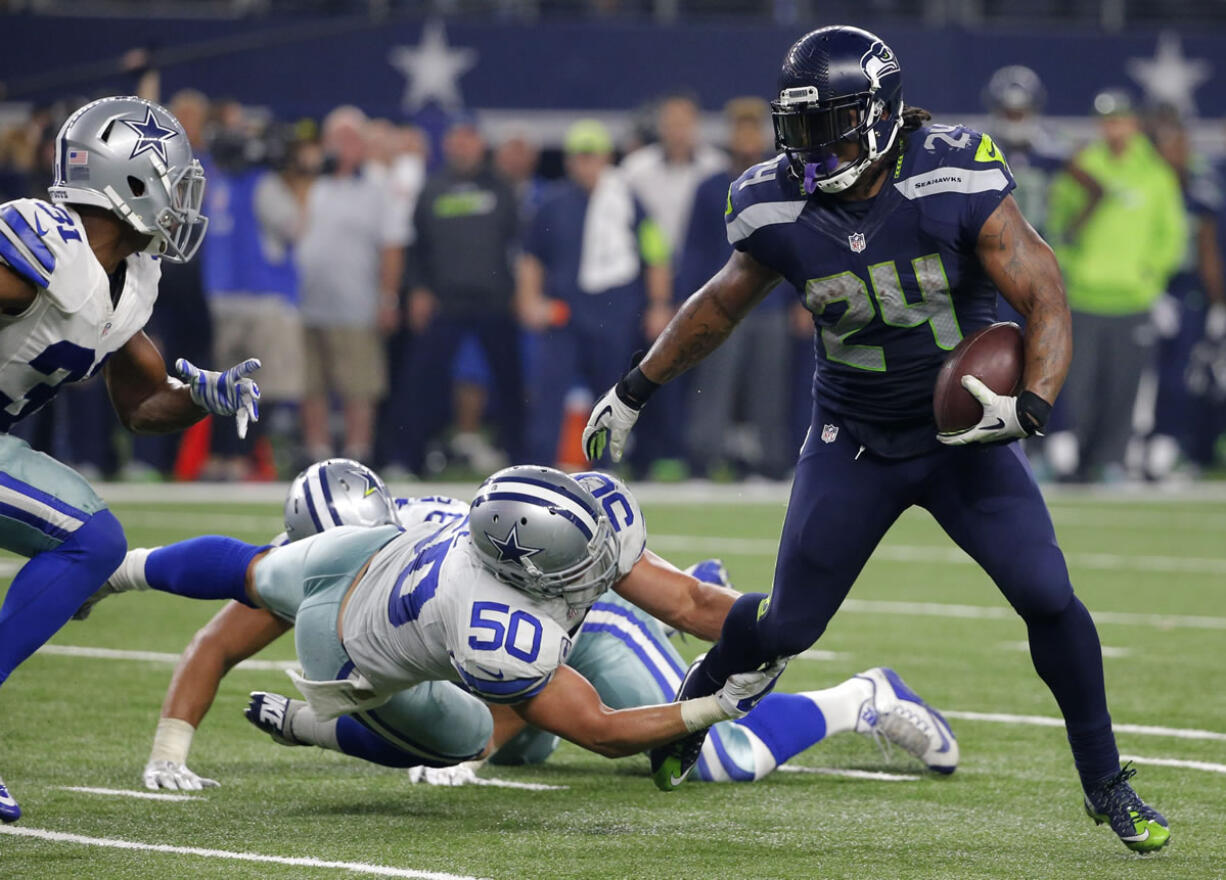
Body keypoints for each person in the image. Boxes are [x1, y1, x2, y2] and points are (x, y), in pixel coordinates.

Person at [582, 26, 1169, 853]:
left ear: (886, 114)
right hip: (852, 434)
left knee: (1047, 595)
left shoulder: (954, 170)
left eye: (833, 125)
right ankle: (697, 705)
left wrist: (1030, 407)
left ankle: (1106, 781)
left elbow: (1044, 293)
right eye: (802, 127)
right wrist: (635, 387)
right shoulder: (773, 200)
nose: (813, 148)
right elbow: (721, 302)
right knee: (787, 627)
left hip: (964, 437)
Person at [87, 460, 953, 790]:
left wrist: (766, 636)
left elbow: (597, 719)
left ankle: (860, 698)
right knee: (481, 735)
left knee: (721, 761)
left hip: (581, 629)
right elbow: (215, 630)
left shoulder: (522, 550)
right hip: (518, 644)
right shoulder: (334, 575)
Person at [0, 95, 262, 822]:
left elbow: (141, 406)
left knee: (92, 540)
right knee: (91, 540)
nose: (182, 202)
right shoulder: (41, 240)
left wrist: (200, 398)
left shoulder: (130, 276)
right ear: (129, 180)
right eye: (173, 181)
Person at [1044, 90, 1186, 482]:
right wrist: (1071, 270)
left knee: (1124, 387)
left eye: (1120, 119)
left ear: (1134, 122)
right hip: (1085, 296)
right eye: (1106, 121)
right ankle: (1078, 462)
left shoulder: (1155, 174)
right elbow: (1059, 224)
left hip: (1133, 298)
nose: (1114, 128)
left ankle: (1112, 461)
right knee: (1079, 386)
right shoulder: (1084, 166)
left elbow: (1171, 234)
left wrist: (1149, 276)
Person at [517, 120, 671, 466]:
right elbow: (532, 257)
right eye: (580, 157)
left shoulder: (628, 202)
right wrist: (529, 301)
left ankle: (606, 474)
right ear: (570, 161)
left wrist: (659, 304)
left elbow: (656, 254)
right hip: (564, 316)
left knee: (613, 401)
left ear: (605, 159)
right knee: (547, 399)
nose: (587, 164)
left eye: (593, 156)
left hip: (613, 316)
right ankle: (539, 470)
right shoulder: (552, 203)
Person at [399, 116, 524, 475]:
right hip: (445, 301)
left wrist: (518, 291)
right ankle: (409, 459)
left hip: (495, 301)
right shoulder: (433, 188)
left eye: (470, 139)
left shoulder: (501, 188)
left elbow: (517, 243)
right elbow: (416, 245)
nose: (464, 146)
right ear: (447, 145)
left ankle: (521, 459)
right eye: (458, 140)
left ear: (480, 144)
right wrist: (419, 289)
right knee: (422, 382)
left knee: (510, 383)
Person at [679, 98, 795, 480]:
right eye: (739, 128)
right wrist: (692, 301)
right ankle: (703, 462)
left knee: (770, 389)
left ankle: (770, 463)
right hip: (724, 305)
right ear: (731, 134)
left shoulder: (784, 183)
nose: (746, 137)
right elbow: (694, 252)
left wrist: (803, 300)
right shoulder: (710, 187)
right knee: (714, 385)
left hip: (772, 303)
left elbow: (800, 245)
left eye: (752, 128)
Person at [296, 105, 405, 465]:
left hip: (356, 303)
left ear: (362, 146)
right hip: (305, 302)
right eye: (336, 138)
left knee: (360, 387)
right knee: (311, 385)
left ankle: (359, 455)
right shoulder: (306, 184)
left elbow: (391, 249)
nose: (344, 146)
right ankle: (318, 454)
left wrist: (387, 299)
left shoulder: (378, 189)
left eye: (351, 138)